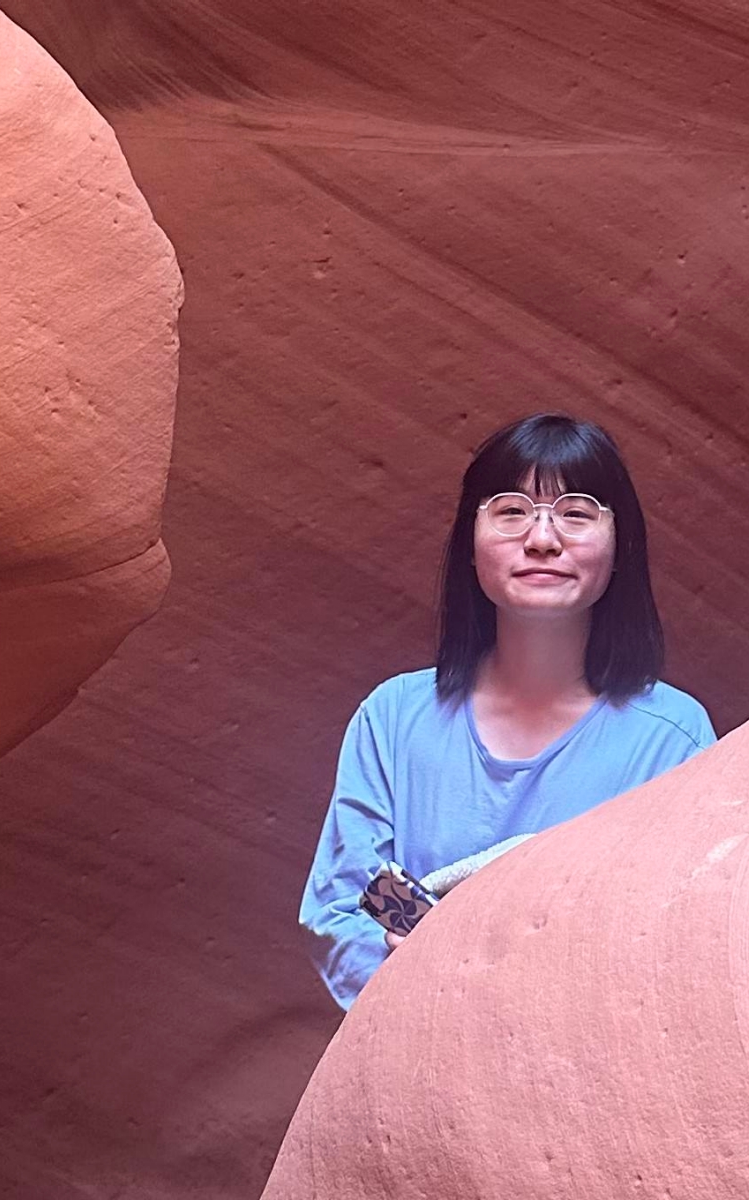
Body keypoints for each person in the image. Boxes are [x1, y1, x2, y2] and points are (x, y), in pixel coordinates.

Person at [299, 413, 716, 1010]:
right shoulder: (392, 719)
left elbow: (675, 933)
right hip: (417, 1041)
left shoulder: (674, 739)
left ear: (620, 544)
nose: (543, 539)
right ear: (470, 542)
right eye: (512, 510)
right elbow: (339, 913)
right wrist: (444, 992)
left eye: (575, 513)